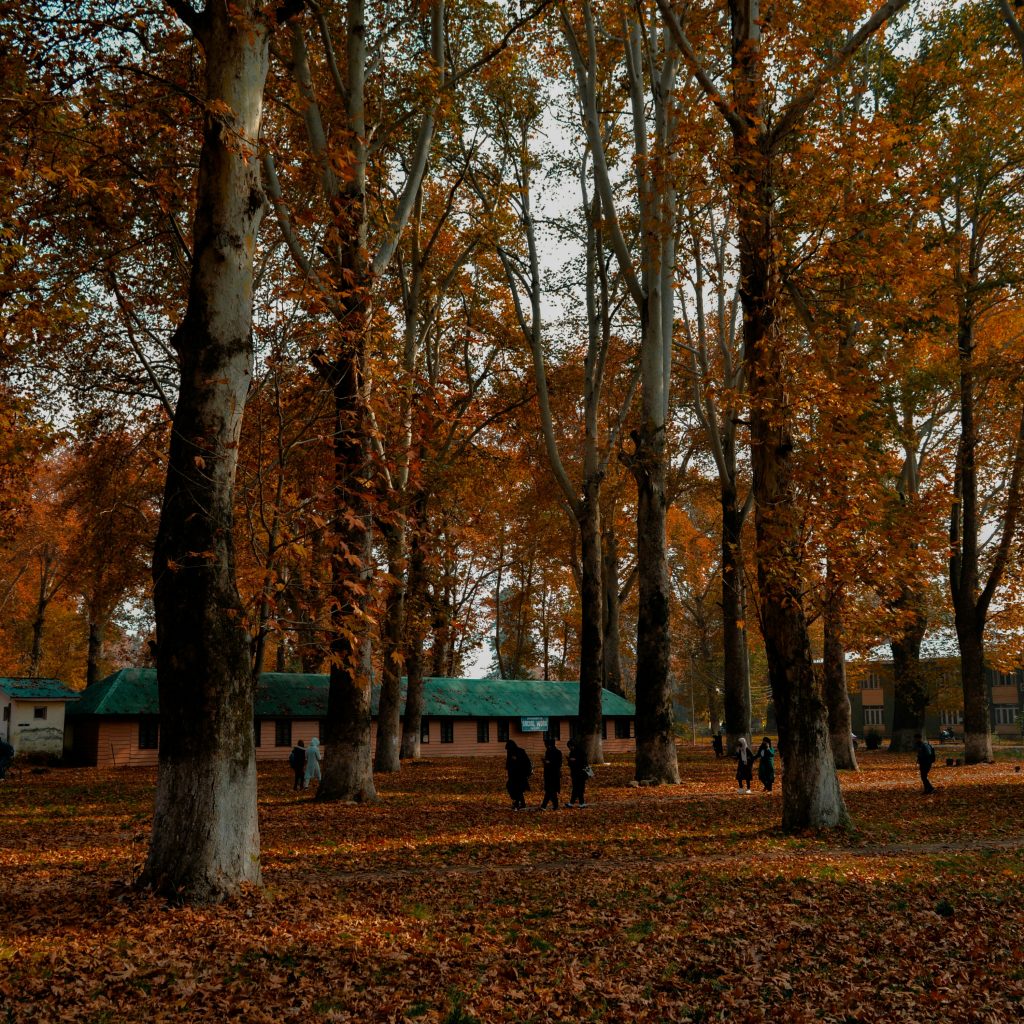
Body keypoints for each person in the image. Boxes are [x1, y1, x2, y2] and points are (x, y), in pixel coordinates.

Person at [505, 740, 532, 810]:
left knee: (518, 789)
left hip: (520, 773)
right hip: (513, 774)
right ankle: (520, 803)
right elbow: (508, 763)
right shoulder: (510, 752)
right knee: (513, 788)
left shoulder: (520, 751)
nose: (508, 750)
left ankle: (518, 803)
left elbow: (526, 762)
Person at [540, 734, 563, 810]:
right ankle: (555, 805)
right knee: (551, 791)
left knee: (550, 790)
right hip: (552, 773)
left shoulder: (554, 752)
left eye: (546, 744)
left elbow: (558, 763)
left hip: (552, 774)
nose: (545, 746)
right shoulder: (551, 751)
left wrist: (548, 763)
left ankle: (544, 806)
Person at [566, 736, 591, 807]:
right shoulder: (572, 753)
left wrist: (575, 761)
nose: (570, 749)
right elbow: (570, 764)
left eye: (570, 747)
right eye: (569, 747)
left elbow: (584, 762)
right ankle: (577, 803)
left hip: (581, 773)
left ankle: (578, 803)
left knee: (579, 788)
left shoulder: (581, 752)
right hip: (575, 773)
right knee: (576, 788)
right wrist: (570, 761)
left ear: (573, 745)